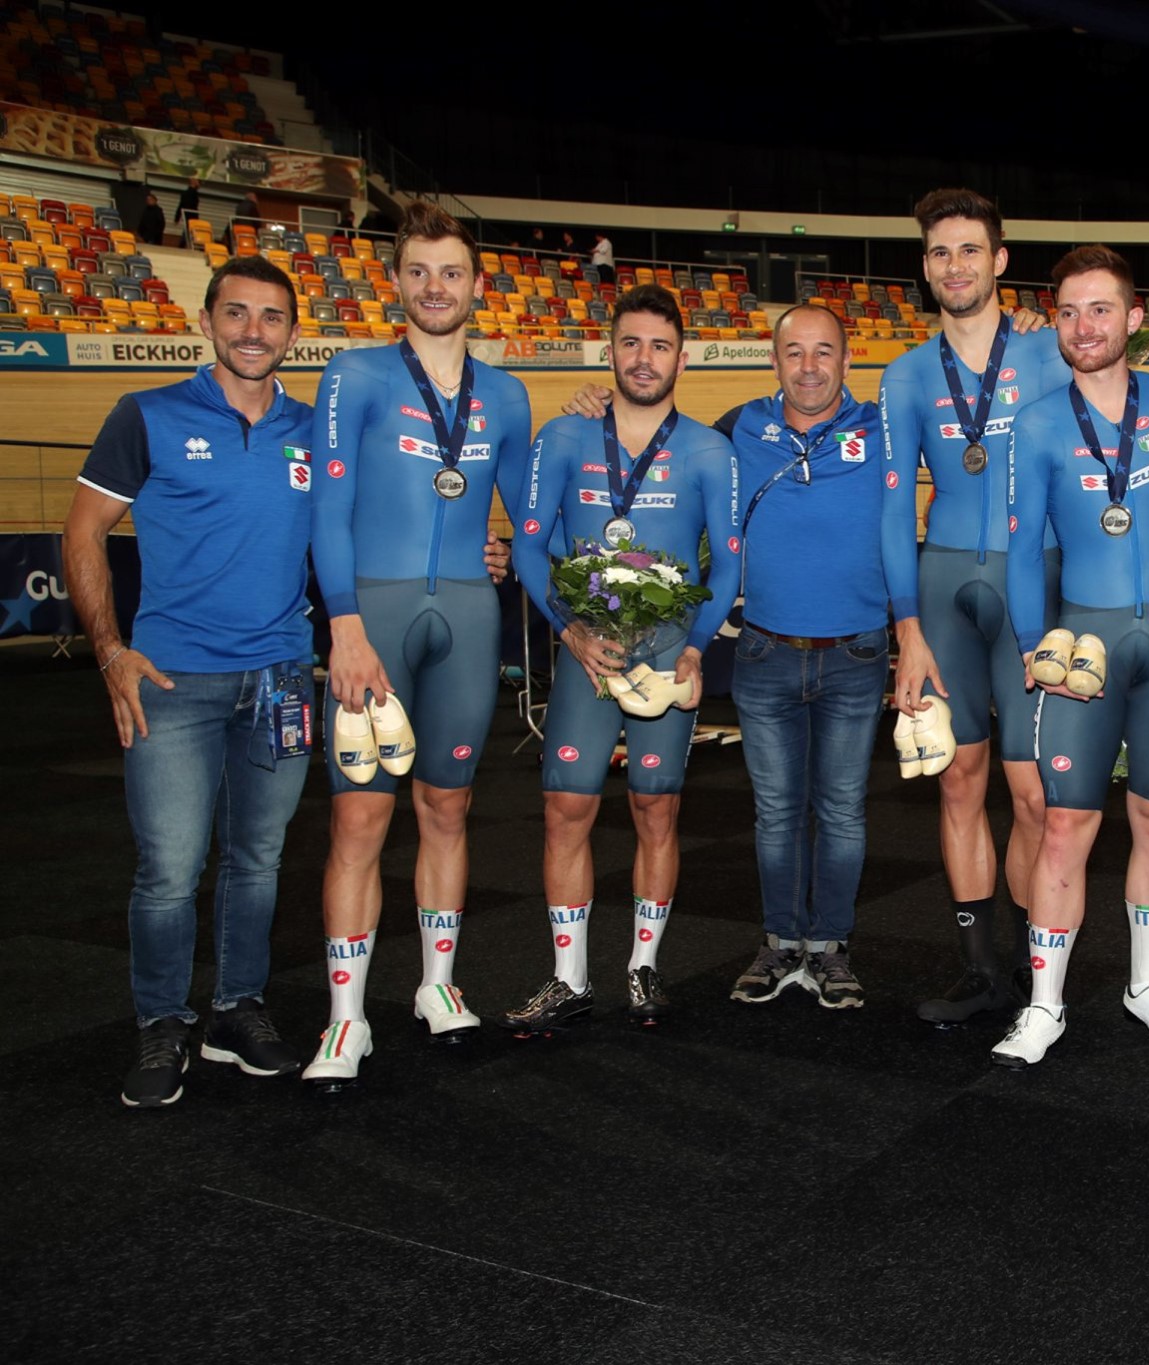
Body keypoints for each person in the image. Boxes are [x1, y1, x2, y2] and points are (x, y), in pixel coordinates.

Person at [63, 257, 314, 1107]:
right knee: (170, 867)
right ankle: (162, 1019)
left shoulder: (312, 428)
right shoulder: (147, 413)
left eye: (272, 317)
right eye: (237, 313)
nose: (254, 330)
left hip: (282, 676)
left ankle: (236, 1009)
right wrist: (110, 651)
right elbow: (84, 532)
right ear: (206, 321)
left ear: (292, 331)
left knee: (259, 858)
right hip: (171, 680)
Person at [303, 200, 535, 1088]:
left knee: (448, 808)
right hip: (376, 621)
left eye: (452, 273)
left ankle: (438, 985)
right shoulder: (355, 376)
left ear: (479, 285)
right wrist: (347, 628)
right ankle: (345, 1017)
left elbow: (532, 517)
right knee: (359, 815)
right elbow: (327, 510)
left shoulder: (506, 394)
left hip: (469, 619)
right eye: (419, 272)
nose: (435, 288)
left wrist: (540, 570)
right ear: (395, 281)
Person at [500, 286, 740, 1032]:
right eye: (631, 343)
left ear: (682, 357)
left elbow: (728, 567)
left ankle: (643, 967)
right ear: (610, 350)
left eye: (660, 345)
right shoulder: (564, 438)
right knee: (566, 804)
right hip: (587, 654)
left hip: (670, 657)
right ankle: (568, 976)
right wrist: (570, 630)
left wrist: (697, 646)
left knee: (655, 805)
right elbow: (532, 549)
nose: (644, 359)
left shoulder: (708, 448)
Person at [991, 245, 1149, 1067]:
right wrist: (1023, 644)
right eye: (1071, 312)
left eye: (1102, 309)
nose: (1086, 327)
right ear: (1056, 323)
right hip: (1083, 640)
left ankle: (1146, 983)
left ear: (1136, 318)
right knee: (1065, 822)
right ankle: (1045, 1003)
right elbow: (1019, 551)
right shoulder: (1038, 423)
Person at [878, 188, 1070, 1027]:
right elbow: (892, 511)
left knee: (1033, 793)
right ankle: (980, 969)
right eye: (938, 253)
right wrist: (907, 632)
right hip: (944, 587)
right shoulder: (905, 374)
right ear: (926, 268)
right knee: (960, 779)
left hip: (1036, 580)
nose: (953, 266)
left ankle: (1041, 974)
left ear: (999, 261)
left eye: (968, 250)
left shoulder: (1052, 351)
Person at [725, 304, 923, 1009]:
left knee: (842, 811)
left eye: (825, 352)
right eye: (794, 353)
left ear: (847, 359)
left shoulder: (885, 430)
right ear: (774, 360)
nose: (809, 367)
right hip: (764, 653)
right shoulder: (739, 427)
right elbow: (653, 446)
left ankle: (831, 945)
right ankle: (781, 942)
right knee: (776, 812)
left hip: (857, 653)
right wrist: (594, 400)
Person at [175, 177, 201, 242]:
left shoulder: (191, 193)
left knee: (188, 230)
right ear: (194, 182)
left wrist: (177, 217)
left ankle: (183, 244)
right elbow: (182, 205)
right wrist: (177, 217)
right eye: (197, 182)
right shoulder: (191, 193)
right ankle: (183, 244)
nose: (199, 184)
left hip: (189, 214)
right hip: (190, 214)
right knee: (188, 230)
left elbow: (181, 205)